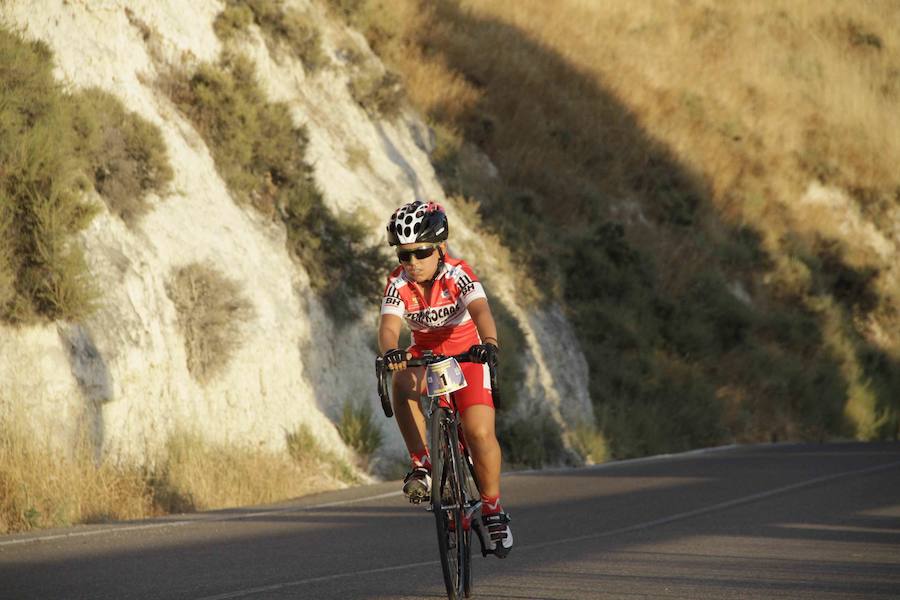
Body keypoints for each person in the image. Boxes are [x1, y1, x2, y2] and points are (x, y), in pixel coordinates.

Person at [378, 199, 513, 558]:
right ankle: (421, 463)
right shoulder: (399, 282)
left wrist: (490, 344)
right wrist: (391, 350)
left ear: (438, 248)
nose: (412, 263)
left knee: (479, 432)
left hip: (467, 356)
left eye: (420, 253)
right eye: (403, 255)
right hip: (426, 358)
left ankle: (492, 507)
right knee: (402, 382)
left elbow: (481, 309)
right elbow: (389, 325)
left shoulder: (458, 273)